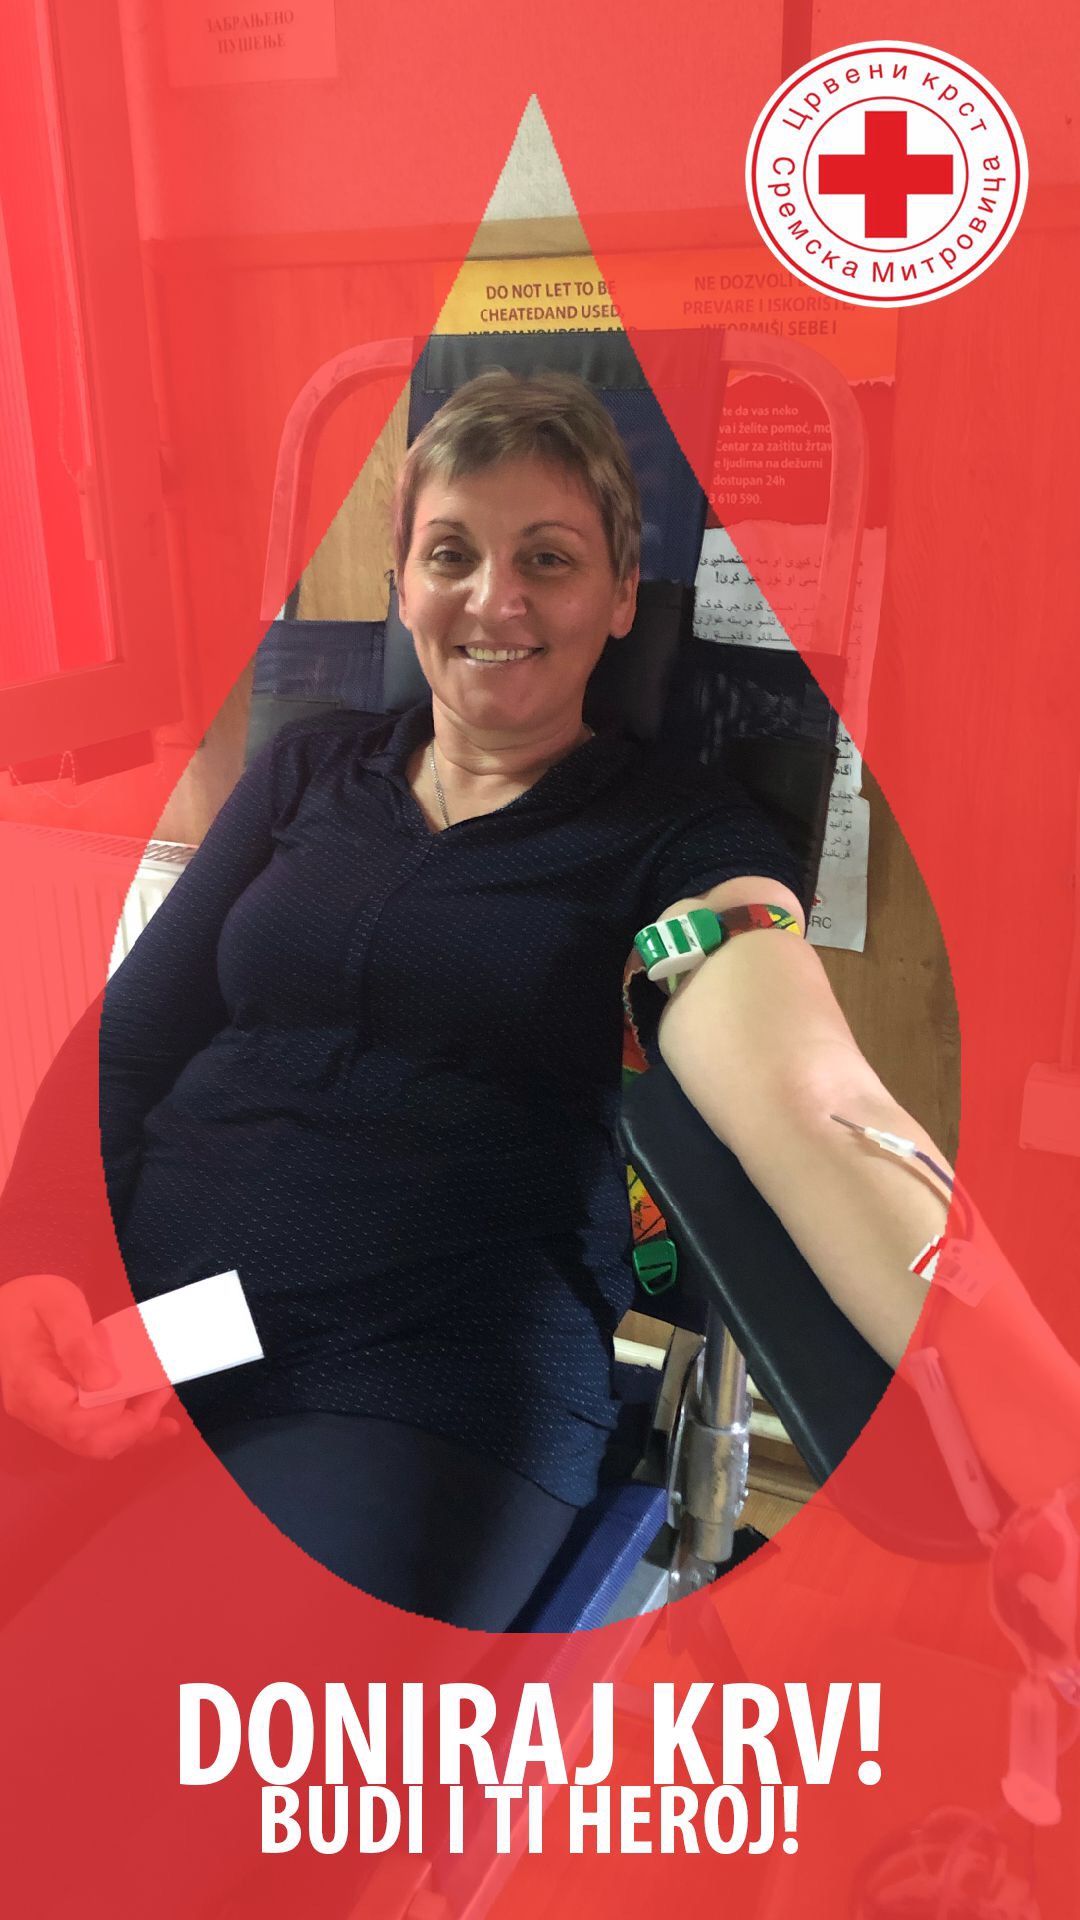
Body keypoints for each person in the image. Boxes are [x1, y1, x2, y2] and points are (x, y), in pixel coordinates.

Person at [0, 370, 953, 1629]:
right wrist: (41, 1265)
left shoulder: (678, 839)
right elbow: (122, 1049)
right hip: (140, 1318)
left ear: (622, 596)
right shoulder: (306, 772)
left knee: (134, 1707)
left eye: (548, 558)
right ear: (403, 583)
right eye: (452, 553)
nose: (496, 599)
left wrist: (1023, 1429)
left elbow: (816, 1101)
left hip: (421, 1384)